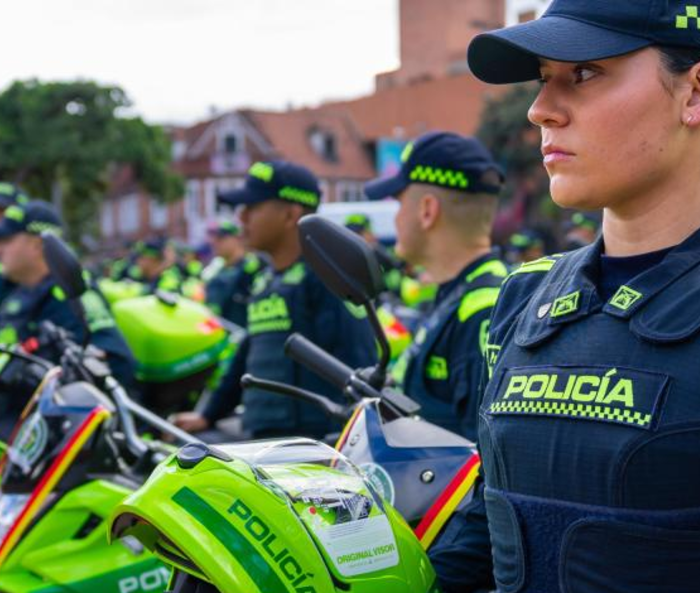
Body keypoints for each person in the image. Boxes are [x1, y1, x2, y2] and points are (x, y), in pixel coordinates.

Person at [430, 1, 700, 593]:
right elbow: (488, 519)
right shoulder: (523, 299)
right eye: (544, 78)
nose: (541, 110)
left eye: (584, 73)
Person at [173, 161, 374, 440]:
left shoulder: (326, 278)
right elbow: (249, 352)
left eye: (252, 207)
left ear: (290, 214)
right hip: (265, 437)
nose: (242, 217)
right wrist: (208, 414)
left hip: (312, 445)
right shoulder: (266, 279)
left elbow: (358, 364)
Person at [365, 132, 508, 440]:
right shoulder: (460, 294)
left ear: (427, 211)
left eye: (399, 202)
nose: (396, 218)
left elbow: (484, 454)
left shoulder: (484, 311)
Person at [0, 201, 135, 389]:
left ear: (38, 245)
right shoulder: (15, 294)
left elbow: (116, 361)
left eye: (6, 240)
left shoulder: (74, 290)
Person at [202, 220, 264, 330]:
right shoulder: (212, 271)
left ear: (237, 238)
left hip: (246, 332)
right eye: (213, 238)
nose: (214, 242)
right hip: (217, 333)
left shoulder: (252, 268)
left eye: (221, 238)